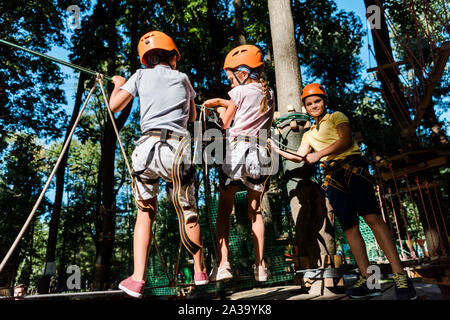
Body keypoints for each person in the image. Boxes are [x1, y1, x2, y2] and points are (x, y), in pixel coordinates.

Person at [270, 83, 417, 300]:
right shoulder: (309, 135)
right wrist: (278, 149)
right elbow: (301, 156)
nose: (314, 105)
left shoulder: (337, 116)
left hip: (353, 169)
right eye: (309, 103)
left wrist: (319, 155)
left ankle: (400, 276)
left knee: (373, 218)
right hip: (333, 178)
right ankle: (370, 280)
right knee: (349, 229)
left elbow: (345, 140)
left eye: (317, 101)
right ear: (305, 107)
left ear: (324, 102)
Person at [109, 30, 208, 298]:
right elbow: (192, 116)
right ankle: (199, 270)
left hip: (147, 149)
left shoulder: (139, 76)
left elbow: (114, 106)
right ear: (173, 56)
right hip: (177, 149)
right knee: (187, 209)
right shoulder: (184, 78)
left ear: (145, 59)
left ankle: (137, 279)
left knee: (145, 213)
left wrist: (118, 83)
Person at [203, 44, 274, 282]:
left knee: (224, 210)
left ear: (242, 74)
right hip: (260, 156)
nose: (230, 83)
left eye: (231, 78)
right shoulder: (268, 93)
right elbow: (248, 111)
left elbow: (225, 122)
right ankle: (260, 265)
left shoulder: (239, 93)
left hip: (237, 152)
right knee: (255, 211)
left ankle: (223, 264)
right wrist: (223, 101)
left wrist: (219, 108)